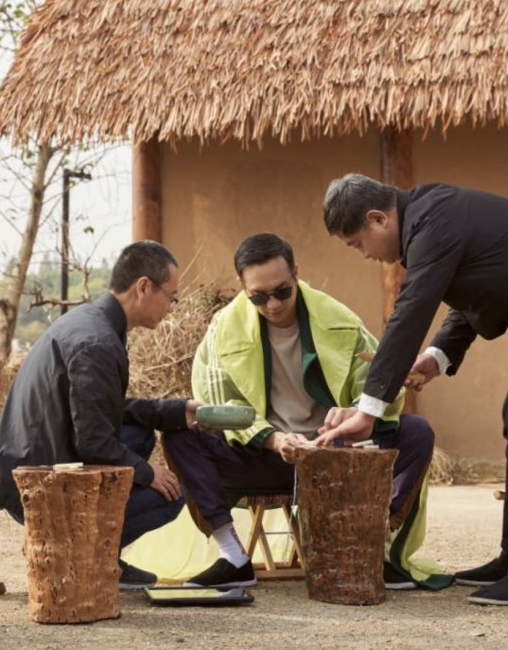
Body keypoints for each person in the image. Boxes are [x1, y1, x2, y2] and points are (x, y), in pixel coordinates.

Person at [319, 175, 508, 606]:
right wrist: (436, 357)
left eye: (357, 243)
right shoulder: (431, 219)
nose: (364, 254)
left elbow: (412, 309)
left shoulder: (433, 218)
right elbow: (469, 294)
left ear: (377, 218)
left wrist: (368, 410)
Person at [163, 233, 446, 590]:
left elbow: (379, 384)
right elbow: (221, 408)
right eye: (259, 297)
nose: (273, 304)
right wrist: (274, 439)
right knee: (180, 433)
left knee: (416, 431)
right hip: (263, 458)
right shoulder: (223, 330)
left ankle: (368, 547)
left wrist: (355, 413)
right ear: (242, 287)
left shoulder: (338, 318)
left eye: (282, 291)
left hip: (336, 458)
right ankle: (232, 557)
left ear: (296, 273)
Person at [0, 240, 201, 590]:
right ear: (143, 287)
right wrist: (147, 472)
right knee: (170, 495)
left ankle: (97, 553)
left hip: (36, 459)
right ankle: (83, 554)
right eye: (170, 297)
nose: (170, 308)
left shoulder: (91, 322)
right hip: (36, 483)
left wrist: (171, 411)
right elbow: (94, 442)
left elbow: (101, 411)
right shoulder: (96, 343)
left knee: (140, 433)